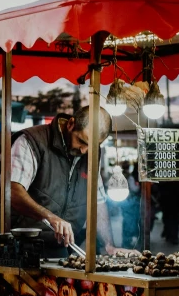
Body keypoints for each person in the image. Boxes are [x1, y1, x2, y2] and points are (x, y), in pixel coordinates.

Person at [7, 107, 116, 257]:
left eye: (92, 146)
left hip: (57, 246)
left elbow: (97, 201)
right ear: (71, 124)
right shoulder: (32, 141)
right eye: (82, 141)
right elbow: (12, 191)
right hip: (18, 243)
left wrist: (109, 245)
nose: (84, 150)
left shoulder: (90, 154)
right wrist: (50, 217)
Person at [121, 163, 140, 249]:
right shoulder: (131, 177)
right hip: (131, 202)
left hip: (125, 202)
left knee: (127, 222)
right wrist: (139, 185)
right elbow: (134, 189)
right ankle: (127, 243)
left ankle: (126, 242)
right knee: (131, 223)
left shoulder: (123, 176)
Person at [158, 182, 179, 246]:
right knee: (174, 219)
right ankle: (173, 236)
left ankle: (169, 234)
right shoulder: (178, 178)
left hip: (166, 200)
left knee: (167, 218)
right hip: (175, 201)